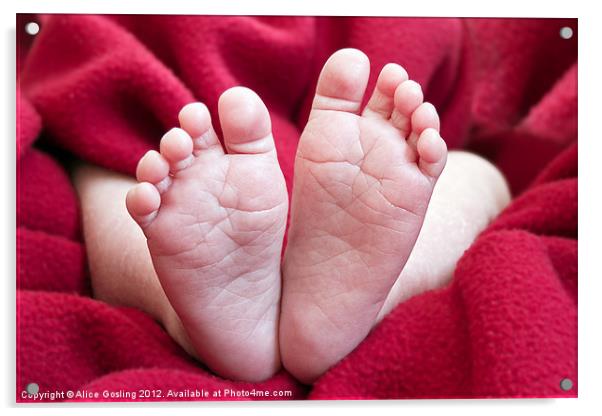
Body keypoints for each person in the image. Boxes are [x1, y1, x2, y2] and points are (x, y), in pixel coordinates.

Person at [72, 48, 510, 384]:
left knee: (109, 187)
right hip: (220, 172)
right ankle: (379, 291)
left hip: (192, 151)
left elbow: (77, 87)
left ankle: (188, 315)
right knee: (474, 175)